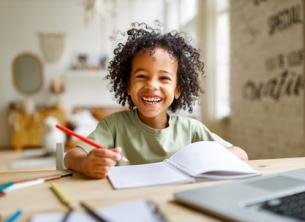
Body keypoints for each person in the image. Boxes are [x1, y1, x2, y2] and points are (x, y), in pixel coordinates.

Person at [64, 23, 248, 179]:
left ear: (178, 89)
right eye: (142, 76)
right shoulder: (113, 126)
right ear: (128, 86)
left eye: (164, 78)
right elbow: (70, 156)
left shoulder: (192, 130)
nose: (152, 85)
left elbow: (241, 154)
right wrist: (86, 163)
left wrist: (210, 160)